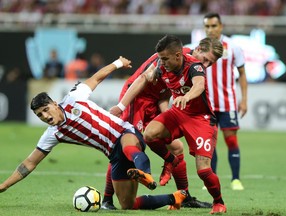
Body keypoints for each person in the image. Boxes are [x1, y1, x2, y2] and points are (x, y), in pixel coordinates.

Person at [0, 56, 188, 210]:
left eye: (46, 110)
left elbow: (96, 78)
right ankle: (175, 198)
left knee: (128, 146)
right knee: (127, 204)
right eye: (40, 115)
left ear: (55, 104)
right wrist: (4, 185)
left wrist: (117, 64)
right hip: (114, 155)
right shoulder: (53, 134)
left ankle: (144, 173)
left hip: (125, 131)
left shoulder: (74, 98)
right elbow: (29, 163)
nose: (45, 116)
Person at [109, 35, 226, 214]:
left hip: (192, 116)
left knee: (180, 151)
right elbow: (142, 79)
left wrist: (171, 112)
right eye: (206, 60)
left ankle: (186, 196)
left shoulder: (191, 65)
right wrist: (120, 106)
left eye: (211, 63)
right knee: (130, 143)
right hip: (138, 100)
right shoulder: (170, 59)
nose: (206, 65)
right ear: (197, 50)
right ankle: (107, 198)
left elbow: (185, 89)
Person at [203, 13, 248, 190]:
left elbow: (242, 74)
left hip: (227, 102)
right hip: (207, 104)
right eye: (207, 26)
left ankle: (235, 179)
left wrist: (244, 99)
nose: (210, 29)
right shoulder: (199, 47)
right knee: (210, 143)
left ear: (221, 26)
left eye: (214, 26)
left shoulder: (233, 47)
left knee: (231, 141)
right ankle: (210, 181)